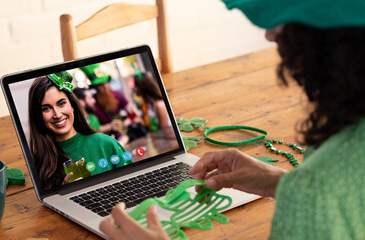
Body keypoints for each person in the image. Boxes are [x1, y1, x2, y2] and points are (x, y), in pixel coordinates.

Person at [99, 0, 365, 239]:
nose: (269, 34)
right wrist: (280, 183)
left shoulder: (318, 193)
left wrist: (302, 193)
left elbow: (327, 200)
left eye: (283, 21)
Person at [28, 72, 132, 192]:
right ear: (38, 116)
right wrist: (64, 194)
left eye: (61, 103)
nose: (57, 114)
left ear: (72, 105)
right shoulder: (37, 162)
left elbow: (134, 188)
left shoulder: (107, 144)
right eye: (46, 109)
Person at [80, 63, 147, 141]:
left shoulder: (117, 94)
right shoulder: (91, 101)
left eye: (107, 82)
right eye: (101, 85)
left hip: (124, 136)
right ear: (95, 87)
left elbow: (132, 112)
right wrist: (110, 126)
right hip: (105, 139)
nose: (105, 87)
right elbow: (92, 127)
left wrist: (126, 122)